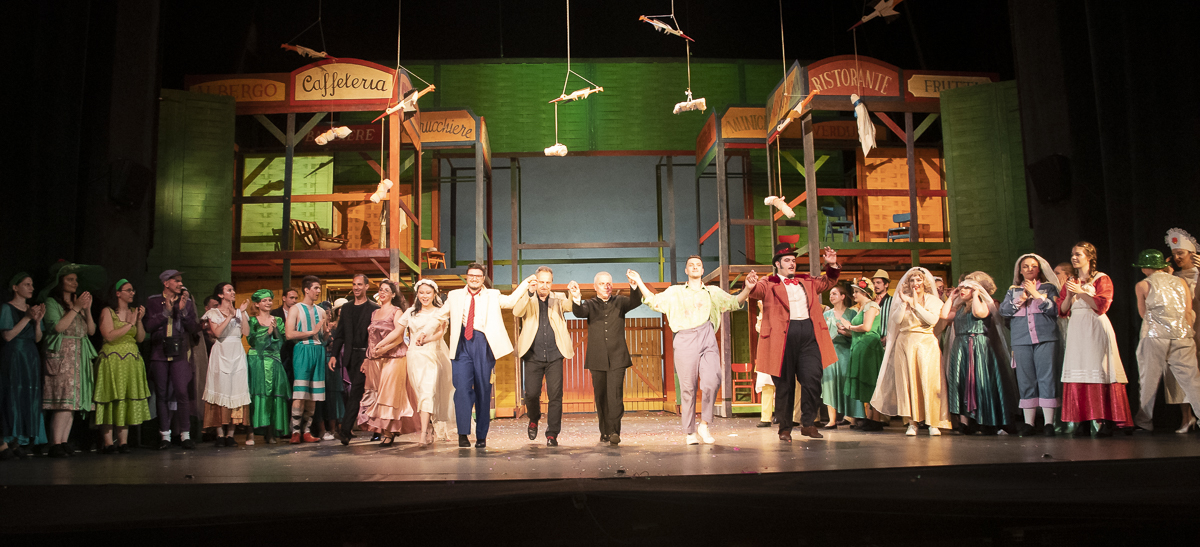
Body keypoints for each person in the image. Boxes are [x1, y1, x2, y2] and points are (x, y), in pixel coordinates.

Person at [629, 257, 752, 444]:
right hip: (685, 338)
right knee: (688, 388)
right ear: (686, 271)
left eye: (698, 265)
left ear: (703, 270)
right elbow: (653, 301)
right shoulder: (675, 292)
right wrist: (639, 281)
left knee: (712, 379)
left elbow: (734, 302)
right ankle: (690, 432)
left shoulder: (712, 292)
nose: (695, 267)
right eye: (691, 265)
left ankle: (704, 424)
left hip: (707, 335)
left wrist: (748, 289)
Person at [747, 243, 841, 442]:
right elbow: (755, 292)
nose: (792, 264)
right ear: (777, 264)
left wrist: (831, 265)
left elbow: (828, 282)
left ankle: (808, 423)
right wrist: (750, 284)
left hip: (808, 336)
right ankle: (785, 428)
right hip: (781, 339)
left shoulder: (806, 281)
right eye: (787, 260)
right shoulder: (769, 282)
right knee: (785, 386)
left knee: (813, 378)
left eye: (793, 260)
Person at [1057, 241, 1132, 436]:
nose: (1074, 257)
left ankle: (1102, 419)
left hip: (1095, 325)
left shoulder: (1101, 278)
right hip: (1076, 327)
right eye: (1072, 254)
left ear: (1089, 257)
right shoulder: (1071, 281)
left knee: (1098, 368)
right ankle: (1080, 418)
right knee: (1078, 368)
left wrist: (1081, 292)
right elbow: (1062, 310)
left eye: (1078, 254)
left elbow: (1102, 306)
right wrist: (1070, 295)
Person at [871, 267, 951, 436]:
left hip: (925, 343)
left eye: (919, 280)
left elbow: (932, 320)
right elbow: (897, 320)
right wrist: (904, 302)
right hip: (905, 343)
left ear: (924, 282)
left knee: (929, 382)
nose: (915, 283)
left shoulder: (932, 300)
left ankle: (933, 422)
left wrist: (915, 305)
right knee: (906, 383)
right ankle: (912, 422)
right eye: (912, 280)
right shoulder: (903, 300)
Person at [568, 271, 639, 446]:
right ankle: (605, 432)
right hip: (597, 358)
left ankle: (614, 431)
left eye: (609, 283)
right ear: (595, 287)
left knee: (615, 395)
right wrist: (576, 297)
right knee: (601, 397)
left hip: (618, 357)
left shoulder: (620, 302)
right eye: (602, 283)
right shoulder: (590, 304)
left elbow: (635, 301)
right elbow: (579, 312)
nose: (606, 286)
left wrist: (634, 286)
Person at [1132, 249, 1200, 432]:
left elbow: (1143, 314)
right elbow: (1188, 310)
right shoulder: (1180, 282)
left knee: (1148, 380)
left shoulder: (1143, 285)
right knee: (1192, 381)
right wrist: (1186, 331)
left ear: (1145, 268)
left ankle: (1144, 421)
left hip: (1155, 336)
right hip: (1182, 335)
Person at [941, 272, 1017, 434]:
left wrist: (976, 295)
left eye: (967, 288)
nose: (962, 290)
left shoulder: (983, 305)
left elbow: (978, 313)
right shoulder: (959, 308)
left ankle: (985, 419)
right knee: (961, 382)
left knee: (980, 381)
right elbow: (944, 315)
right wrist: (951, 298)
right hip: (961, 347)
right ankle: (965, 422)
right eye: (961, 287)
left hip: (978, 346)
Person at [39, 261, 101, 457]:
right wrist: (76, 308)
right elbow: (58, 327)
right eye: (70, 279)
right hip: (62, 356)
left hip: (78, 356)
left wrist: (87, 309)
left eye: (76, 280)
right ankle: (55, 443)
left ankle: (64, 441)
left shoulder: (78, 304)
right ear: (60, 282)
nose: (75, 283)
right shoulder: (52, 302)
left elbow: (91, 331)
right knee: (63, 403)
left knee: (72, 404)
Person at [999, 254, 1063, 436]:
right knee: (1025, 379)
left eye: (1033, 266)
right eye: (1025, 266)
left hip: (1045, 338)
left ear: (1039, 269)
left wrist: (1036, 295)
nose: (1029, 269)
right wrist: (1021, 299)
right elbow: (1004, 311)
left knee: (1047, 378)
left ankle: (1049, 423)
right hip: (1021, 340)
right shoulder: (1013, 291)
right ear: (1020, 270)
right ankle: (1029, 423)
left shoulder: (1048, 288)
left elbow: (1054, 310)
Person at [512, 267, 575, 447]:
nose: (544, 285)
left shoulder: (558, 298)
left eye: (548, 282)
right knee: (531, 394)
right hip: (533, 355)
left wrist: (572, 293)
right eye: (541, 282)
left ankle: (552, 434)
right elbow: (517, 312)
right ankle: (534, 418)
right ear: (536, 282)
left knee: (556, 395)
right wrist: (529, 293)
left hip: (555, 354)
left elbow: (570, 306)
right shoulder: (528, 298)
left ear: (551, 283)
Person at [144, 269, 201, 450]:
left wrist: (183, 312)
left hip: (179, 352)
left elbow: (193, 328)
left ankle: (185, 435)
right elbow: (148, 326)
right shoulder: (153, 301)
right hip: (159, 352)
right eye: (176, 280)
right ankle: (165, 436)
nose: (180, 284)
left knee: (182, 392)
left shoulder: (187, 301)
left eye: (181, 280)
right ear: (166, 283)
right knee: (161, 394)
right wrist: (166, 312)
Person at [393, 279, 454, 446]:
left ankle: (423, 434)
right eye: (421, 293)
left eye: (428, 292)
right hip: (414, 357)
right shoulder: (410, 312)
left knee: (427, 393)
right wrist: (381, 345)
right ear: (417, 294)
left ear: (434, 294)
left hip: (433, 356)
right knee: (421, 395)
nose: (424, 296)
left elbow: (440, 333)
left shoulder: (440, 312)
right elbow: (398, 331)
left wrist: (426, 340)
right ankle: (430, 426)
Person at [93, 279, 151, 453]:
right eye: (128, 290)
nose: (132, 293)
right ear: (118, 293)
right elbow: (109, 335)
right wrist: (130, 324)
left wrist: (138, 321)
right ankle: (108, 442)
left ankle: (123, 442)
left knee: (125, 399)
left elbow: (140, 338)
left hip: (131, 361)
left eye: (133, 290)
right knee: (111, 398)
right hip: (112, 360)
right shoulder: (108, 311)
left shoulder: (133, 312)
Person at [364, 280, 420, 444]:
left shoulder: (397, 312)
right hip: (378, 358)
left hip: (395, 357)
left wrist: (383, 348)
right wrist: (371, 354)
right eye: (381, 290)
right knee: (380, 395)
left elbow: (399, 336)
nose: (382, 293)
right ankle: (389, 430)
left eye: (386, 290)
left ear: (393, 294)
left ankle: (389, 434)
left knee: (388, 395)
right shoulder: (375, 313)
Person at [328, 275, 379, 445]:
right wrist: (334, 355)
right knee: (358, 394)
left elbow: (375, 336)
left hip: (367, 356)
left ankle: (345, 431)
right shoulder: (347, 308)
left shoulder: (374, 308)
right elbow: (340, 334)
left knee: (357, 392)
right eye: (354, 284)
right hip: (350, 357)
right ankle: (374, 430)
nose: (356, 287)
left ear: (366, 286)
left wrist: (369, 357)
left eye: (359, 284)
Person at [1, 273, 46, 459]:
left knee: (27, 396)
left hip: (30, 356)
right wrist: (27, 318)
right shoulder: (7, 308)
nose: (31, 288)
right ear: (15, 287)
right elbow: (8, 336)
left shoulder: (31, 309)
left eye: (32, 284)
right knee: (12, 395)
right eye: (27, 284)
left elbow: (38, 338)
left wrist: (37, 321)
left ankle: (17, 441)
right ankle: (4, 441)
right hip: (14, 356)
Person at [201, 283, 251, 447]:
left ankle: (230, 434)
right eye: (229, 290)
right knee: (220, 389)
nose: (233, 292)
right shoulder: (213, 313)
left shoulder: (239, 312)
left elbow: (246, 332)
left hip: (236, 352)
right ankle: (219, 434)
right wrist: (229, 316)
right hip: (221, 351)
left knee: (235, 389)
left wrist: (241, 313)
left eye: (233, 289)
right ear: (221, 295)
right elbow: (217, 333)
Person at [839, 278, 887, 431]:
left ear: (865, 293)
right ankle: (869, 418)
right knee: (866, 382)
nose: (854, 295)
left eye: (856, 292)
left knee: (871, 381)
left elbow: (866, 327)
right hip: (860, 346)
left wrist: (849, 326)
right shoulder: (862, 307)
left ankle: (876, 419)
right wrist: (845, 331)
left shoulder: (871, 306)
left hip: (869, 347)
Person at [1165, 228, 1200, 432]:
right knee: (1180, 372)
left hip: (1198, 325)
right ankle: (1187, 417)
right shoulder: (1174, 276)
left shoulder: (1196, 274)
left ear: (1192, 254)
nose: (1177, 257)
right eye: (1174, 253)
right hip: (1181, 329)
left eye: (1181, 253)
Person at [286, 276, 327, 443]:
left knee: (314, 394)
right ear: (306, 290)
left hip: (318, 350)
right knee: (300, 392)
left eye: (319, 288)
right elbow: (289, 334)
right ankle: (295, 431)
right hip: (303, 349)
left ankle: (306, 430)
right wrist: (312, 332)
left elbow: (323, 336)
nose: (318, 291)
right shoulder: (295, 309)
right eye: (315, 288)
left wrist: (327, 332)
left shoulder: (321, 311)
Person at [245, 289, 289, 444]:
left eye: (270, 300)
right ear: (257, 304)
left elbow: (282, 340)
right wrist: (267, 333)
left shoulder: (278, 320)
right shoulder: (252, 321)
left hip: (274, 359)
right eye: (264, 300)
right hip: (257, 359)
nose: (268, 303)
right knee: (255, 394)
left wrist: (275, 330)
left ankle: (270, 433)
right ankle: (250, 432)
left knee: (273, 394)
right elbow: (252, 340)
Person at [821, 282, 861, 429]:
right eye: (830, 294)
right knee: (829, 383)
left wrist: (844, 331)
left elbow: (856, 333)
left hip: (846, 351)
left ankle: (852, 418)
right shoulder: (826, 314)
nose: (831, 296)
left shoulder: (852, 314)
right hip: (830, 351)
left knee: (848, 383)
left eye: (835, 294)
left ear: (843, 296)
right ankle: (832, 419)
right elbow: (822, 334)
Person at [272, 287, 299, 389]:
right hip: (279, 351)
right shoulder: (275, 314)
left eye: (296, 298)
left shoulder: (299, 313)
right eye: (291, 298)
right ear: (284, 298)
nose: (294, 301)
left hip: (295, 350)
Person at [872, 270, 894, 349]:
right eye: (874, 283)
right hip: (872, 340)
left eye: (878, 283)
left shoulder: (892, 301)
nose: (875, 285)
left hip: (887, 341)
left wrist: (889, 335)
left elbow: (895, 321)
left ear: (886, 284)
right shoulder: (871, 301)